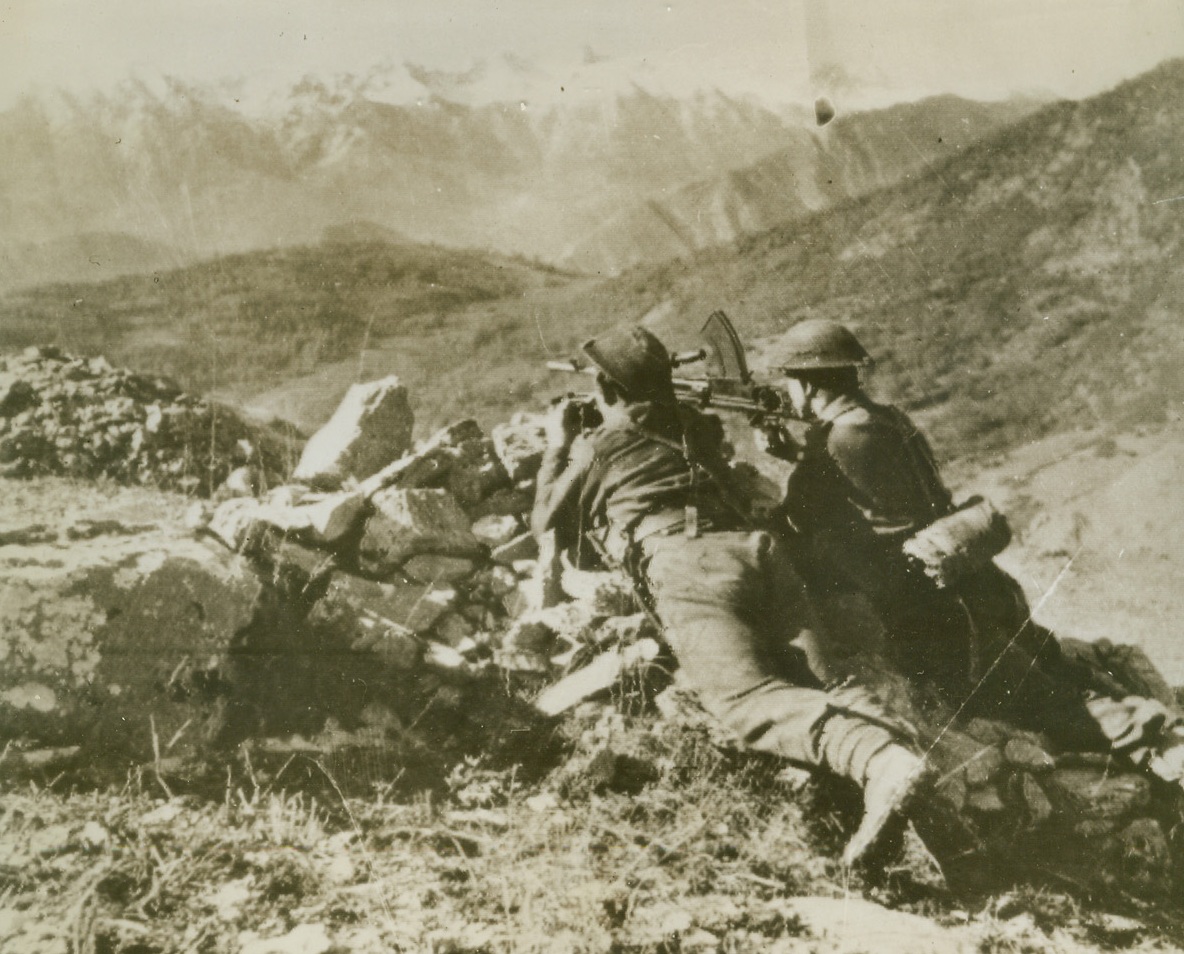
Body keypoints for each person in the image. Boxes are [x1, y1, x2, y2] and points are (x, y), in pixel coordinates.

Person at [532, 323, 944, 868]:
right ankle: (933, 810)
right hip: (759, 552)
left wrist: (561, 443)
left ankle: (881, 762)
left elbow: (547, 523)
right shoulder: (697, 428)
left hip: (690, 565)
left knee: (748, 703)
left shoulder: (601, 445)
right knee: (833, 678)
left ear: (607, 390)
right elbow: (673, 423)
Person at [757, 318, 1183, 767]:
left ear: (808, 382)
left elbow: (798, 516)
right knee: (1049, 671)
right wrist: (801, 452)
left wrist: (797, 460)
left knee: (1051, 704)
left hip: (933, 608)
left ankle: (1162, 742)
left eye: (791, 381)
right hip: (975, 582)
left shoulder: (838, 440)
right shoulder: (881, 419)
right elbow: (869, 486)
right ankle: (1145, 718)